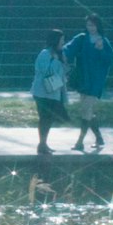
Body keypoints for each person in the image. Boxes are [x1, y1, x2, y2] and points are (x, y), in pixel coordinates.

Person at [61, 12, 113, 151]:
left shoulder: (103, 41)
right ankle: (99, 138)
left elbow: (111, 60)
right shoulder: (81, 38)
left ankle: (80, 142)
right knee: (88, 110)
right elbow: (67, 50)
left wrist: (101, 50)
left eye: (93, 25)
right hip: (83, 79)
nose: (91, 27)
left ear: (98, 25)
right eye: (89, 25)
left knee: (86, 110)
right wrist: (62, 58)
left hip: (96, 80)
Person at [29, 25, 73, 157]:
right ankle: (42, 144)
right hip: (42, 93)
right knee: (44, 118)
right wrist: (56, 60)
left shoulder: (60, 54)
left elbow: (63, 73)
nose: (63, 43)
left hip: (54, 92)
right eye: (61, 41)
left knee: (49, 119)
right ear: (55, 41)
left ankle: (44, 144)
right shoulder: (45, 54)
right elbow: (44, 71)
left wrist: (65, 64)